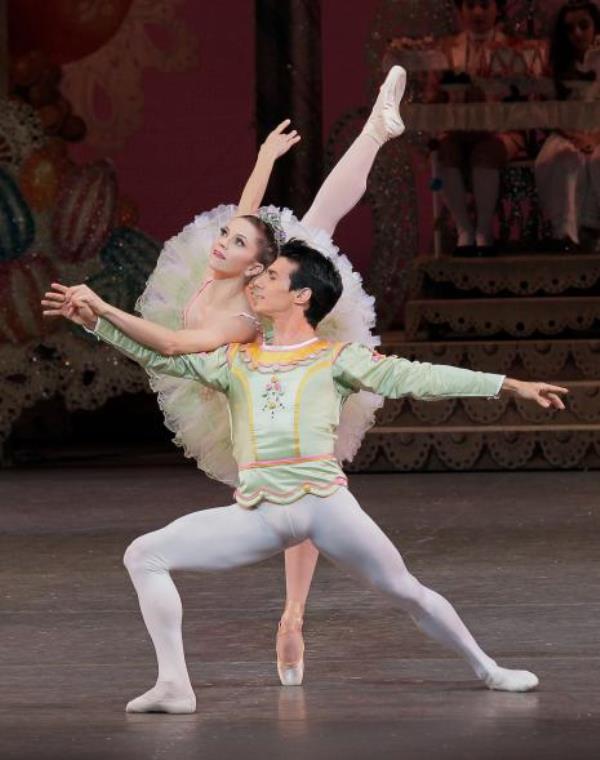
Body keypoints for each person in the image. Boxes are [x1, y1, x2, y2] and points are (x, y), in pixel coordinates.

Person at [43, 241, 568, 714]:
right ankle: (174, 685)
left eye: (272, 276)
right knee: (144, 554)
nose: (259, 281)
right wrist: (96, 320)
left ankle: (487, 667)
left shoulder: (336, 359)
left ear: (301, 296)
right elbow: (162, 353)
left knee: (405, 590)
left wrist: (509, 383)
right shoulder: (235, 362)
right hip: (261, 511)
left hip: (325, 505)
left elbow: (421, 377)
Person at [44, 66, 409, 687]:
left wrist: (105, 312)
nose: (221, 243)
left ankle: (292, 615)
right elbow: (242, 218)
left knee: (318, 225)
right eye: (223, 237)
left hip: (272, 373)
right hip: (228, 393)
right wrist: (264, 159)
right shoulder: (226, 268)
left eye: (236, 243)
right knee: (290, 498)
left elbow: (180, 341)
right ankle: (376, 129)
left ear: (256, 266)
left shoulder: (247, 304)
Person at [432, 0, 526, 255]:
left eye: (485, 5)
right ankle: (464, 230)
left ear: (497, 9)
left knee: (485, 152)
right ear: (460, 10)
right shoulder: (446, 48)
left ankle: (484, 231)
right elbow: (434, 95)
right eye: (470, 5)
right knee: (445, 153)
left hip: (500, 130)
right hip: (457, 129)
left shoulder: (514, 48)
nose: (477, 12)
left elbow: (524, 95)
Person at [535, 1, 600, 251]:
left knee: (596, 160)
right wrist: (574, 136)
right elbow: (548, 111)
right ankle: (567, 234)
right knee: (564, 157)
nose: (578, 33)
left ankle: (592, 227)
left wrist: (594, 138)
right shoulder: (556, 64)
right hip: (567, 133)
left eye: (584, 26)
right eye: (570, 28)